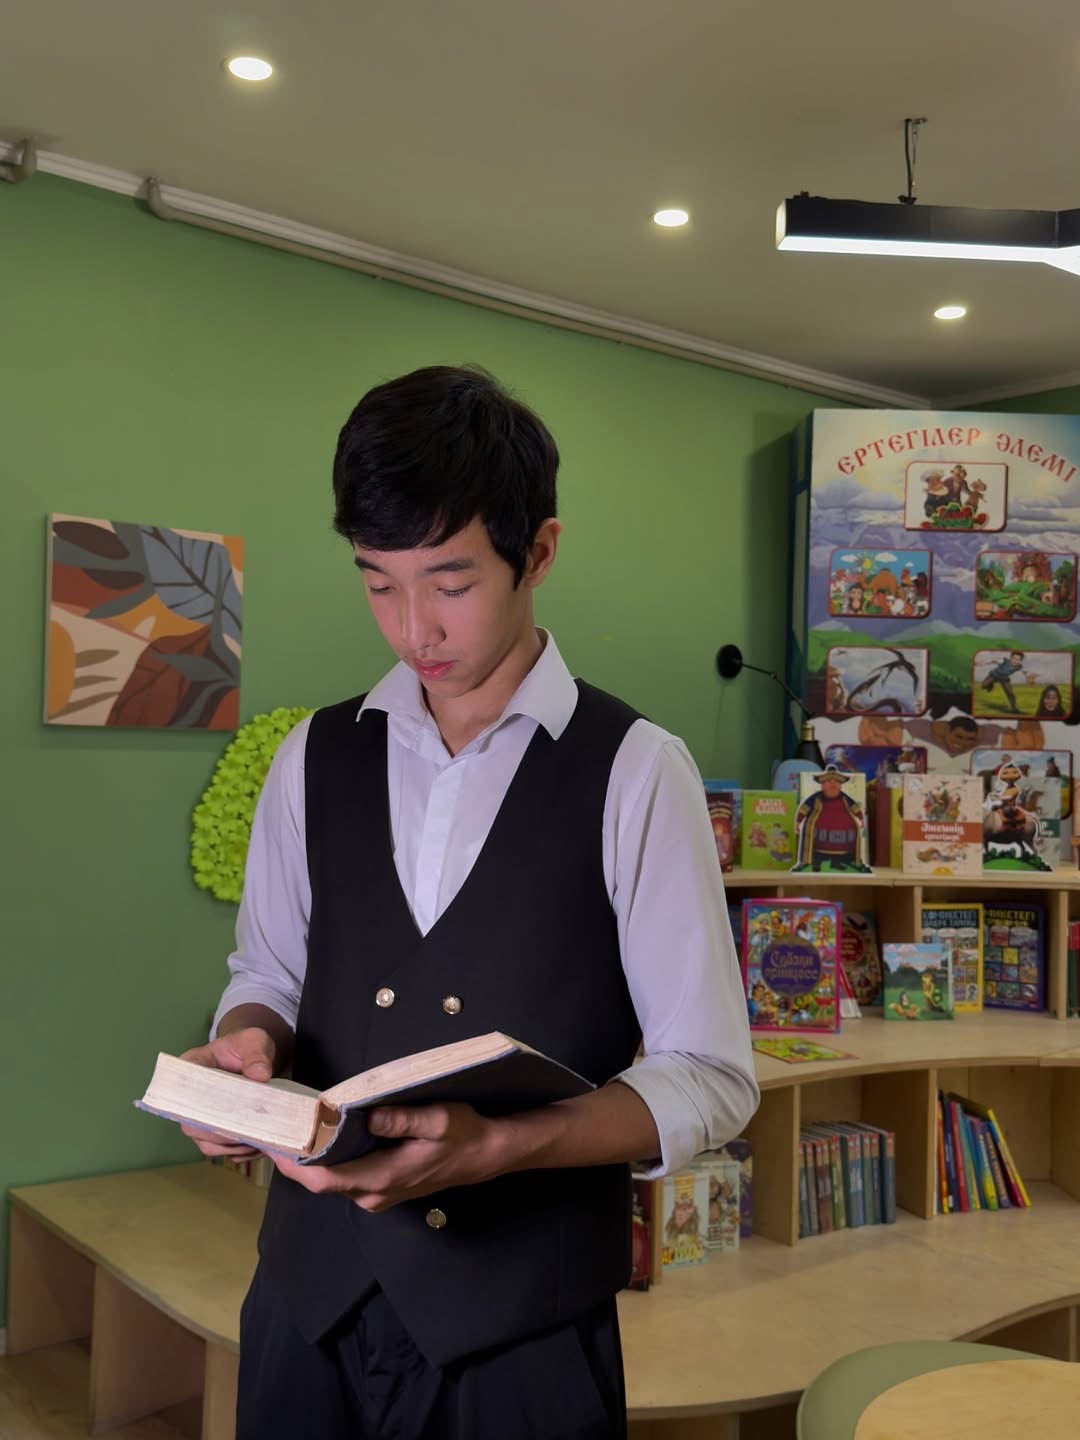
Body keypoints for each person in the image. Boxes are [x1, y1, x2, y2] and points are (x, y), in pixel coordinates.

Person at [180, 366, 759, 1440]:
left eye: (450, 583)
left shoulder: (637, 771)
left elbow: (711, 1078)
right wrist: (246, 1047)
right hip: (308, 1304)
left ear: (538, 552)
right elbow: (267, 974)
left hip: (521, 1336)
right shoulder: (313, 755)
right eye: (378, 583)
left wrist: (505, 1146)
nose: (413, 629)